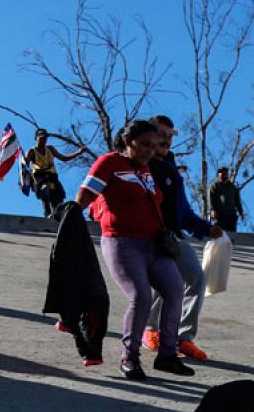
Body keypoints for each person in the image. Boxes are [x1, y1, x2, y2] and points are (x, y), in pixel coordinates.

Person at [74, 119, 192, 381]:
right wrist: (71, 213)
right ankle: (130, 358)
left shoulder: (148, 171)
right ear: (129, 142)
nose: (150, 151)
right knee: (140, 297)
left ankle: (167, 355)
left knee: (174, 290)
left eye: (154, 146)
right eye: (145, 145)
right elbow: (87, 192)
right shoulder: (109, 163)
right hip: (122, 242)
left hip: (154, 244)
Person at [143, 115, 222, 362]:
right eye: (160, 135)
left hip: (174, 236)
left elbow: (183, 210)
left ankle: (184, 337)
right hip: (149, 234)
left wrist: (205, 228)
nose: (165, 140)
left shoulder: (171, 167)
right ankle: (150, 329)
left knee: (195, 278)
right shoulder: (141, 165)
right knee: (162, 282)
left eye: (169, 136)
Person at [25, 128, 84, 218]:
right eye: (41, 138)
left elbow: (64, 158)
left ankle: (58, 214)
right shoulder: (32, 151)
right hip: (39, 177)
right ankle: (47, 213)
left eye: (45, 138)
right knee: (44, 190)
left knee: (57, 195)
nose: (43, 140)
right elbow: (26, 163)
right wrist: (24, 159)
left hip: (52, 176)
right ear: (36, 139)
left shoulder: (50, 149)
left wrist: (79, 152)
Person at [207, 166, 244, 233]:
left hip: (231, 215)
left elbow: (237, 201)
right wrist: (212, 210)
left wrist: (241, 212)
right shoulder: (215, 186)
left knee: (231, 235)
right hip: (219, 216)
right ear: (218, 175)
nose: (223, 174)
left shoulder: (232, 187)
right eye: (220, 173)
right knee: (219, 235)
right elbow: (211, 199)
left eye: (224, 173)